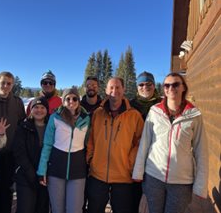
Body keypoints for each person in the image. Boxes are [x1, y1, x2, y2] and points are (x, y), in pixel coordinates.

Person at [132, 72, 208, 213]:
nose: (171, 88)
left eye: (175, 84)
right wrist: (138, 172)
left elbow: (201, 150)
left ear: (183, 87)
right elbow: (145, 144)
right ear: (164, 89)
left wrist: (200, 185)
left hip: (181, 181)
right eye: (167, 85)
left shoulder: (194, 115)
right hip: (154, 176)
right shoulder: (155, 111)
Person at [86, 77, 144, 213]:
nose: (114, 90)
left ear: (123, 89)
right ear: (106, 90)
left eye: (118, 87)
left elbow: (141, 141)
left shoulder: (134, 115)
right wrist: (90, 158)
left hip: (123, 176)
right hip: (98, 175)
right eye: (111, 87)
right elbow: (90, 138)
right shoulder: (98, 113)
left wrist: (130, 163)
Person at [37, 88, 90, 213]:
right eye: (68, 98)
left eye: (74, 98)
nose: (71, 101)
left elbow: (89, 143)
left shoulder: (86, 119)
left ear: (78, 100)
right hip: (56, 170)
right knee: (57, 209)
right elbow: (47, 145)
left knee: (75, 209)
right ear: (63, 101)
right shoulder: (55, 118)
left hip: (78, 171)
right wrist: (42, 170)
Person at [0, 71, 26, 213]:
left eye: (9, 83)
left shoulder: (17, 102)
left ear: (12, 85)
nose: (5, 86)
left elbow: (22, 123)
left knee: (7, 187)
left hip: (10, 152)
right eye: (3, 82)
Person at [130, 71, 161, 213]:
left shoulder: (162, 104)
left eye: (149, 84)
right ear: (137, 87)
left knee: (153, 199)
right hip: (133, 156)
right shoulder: (130, 105)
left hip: (156, 157)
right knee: (133, 196)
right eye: (141, 84)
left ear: (154, 86)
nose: (145, 87)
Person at [13, 97, 50, 213]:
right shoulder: (23, 127)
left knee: (42, 208)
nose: (39, 110)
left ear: (47, 110)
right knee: (26, 208)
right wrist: (33, 175)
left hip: (45, 177)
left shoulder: (52, 127)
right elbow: (20, 153)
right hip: (26, 177)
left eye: (42, 107)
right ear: (30, 110)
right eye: (36, 107)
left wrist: (45, 174)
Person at [80, 75, 102, 213]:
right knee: (80, 194)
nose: (91, 87)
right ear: (85, 87)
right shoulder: (78, 106)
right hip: (79, 153)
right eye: (88, 85)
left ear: (98, 88)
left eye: (94, 85)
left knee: (95, 196)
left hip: (98, 154)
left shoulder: (104, 106)